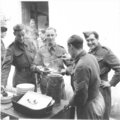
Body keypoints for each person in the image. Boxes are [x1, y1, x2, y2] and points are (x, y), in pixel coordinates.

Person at [64, 35, 105, 119]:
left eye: (68, 48)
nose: (68, 51)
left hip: (89, 107)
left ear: (71, 46)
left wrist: (70, 102)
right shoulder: (91, 56)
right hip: (98, 99)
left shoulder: (81, 66)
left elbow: (80, 96)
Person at [83, 31, 120, 119]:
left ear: (97, 39)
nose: (89, 43)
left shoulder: (105, 52)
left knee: (102, 116)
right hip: (90, 90)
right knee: (92, 116)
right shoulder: (90, 52)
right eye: (87, 41)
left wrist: (110, 83)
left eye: (92, 40)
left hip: (101, 90)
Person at [31, 27, 71, 99]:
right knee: (46, 104)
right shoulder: (41, 50)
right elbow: (33, 66)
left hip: (59, 82)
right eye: (48, 35)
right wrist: (37, 68)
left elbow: (71, 66)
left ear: (56, 35)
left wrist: (66, 70)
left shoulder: (61, 50)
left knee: (60, 104)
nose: (50, 37)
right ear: (45, 36)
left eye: (52, 35)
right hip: (45, 83)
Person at [1, 24, 36, 90]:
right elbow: (6, 67)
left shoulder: (30, 42)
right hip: (20, 78)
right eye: (19, 35)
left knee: (34, 97)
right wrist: (3, 84)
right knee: (20, 98)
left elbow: (36, 58)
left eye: (23, 35)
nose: (21, 38)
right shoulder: (11, 48)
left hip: (32, 76)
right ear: (14, 34)